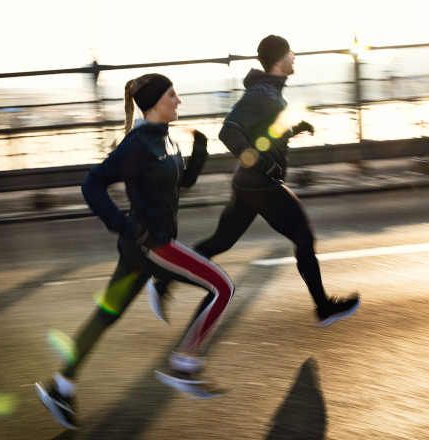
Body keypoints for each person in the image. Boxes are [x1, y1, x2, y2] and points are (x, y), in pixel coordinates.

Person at [35, 73, 234, 430]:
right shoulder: (139, 143)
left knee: (105, 317)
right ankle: (186, 364)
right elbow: (92, 183)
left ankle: (60, 387)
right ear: (155, 103)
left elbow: (182, 183)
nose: (179, 101)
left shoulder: (164, 138)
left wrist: (200, 150)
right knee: (223, 288)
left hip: (141, 246)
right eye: (173, 94)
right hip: (152, 244)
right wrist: (120, 223)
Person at [147, 35, 360, 328]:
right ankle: (324, 308)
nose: (294, 56)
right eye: (289, 52)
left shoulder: (269, 92)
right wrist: (261, 163)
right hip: (262, 185)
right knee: (304, 238)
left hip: (248, 185)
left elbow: (263, 131)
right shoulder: (262, 93)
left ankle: (162, 281)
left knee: (219, 242)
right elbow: (229, 131)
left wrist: (295, 128)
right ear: (278, 59)